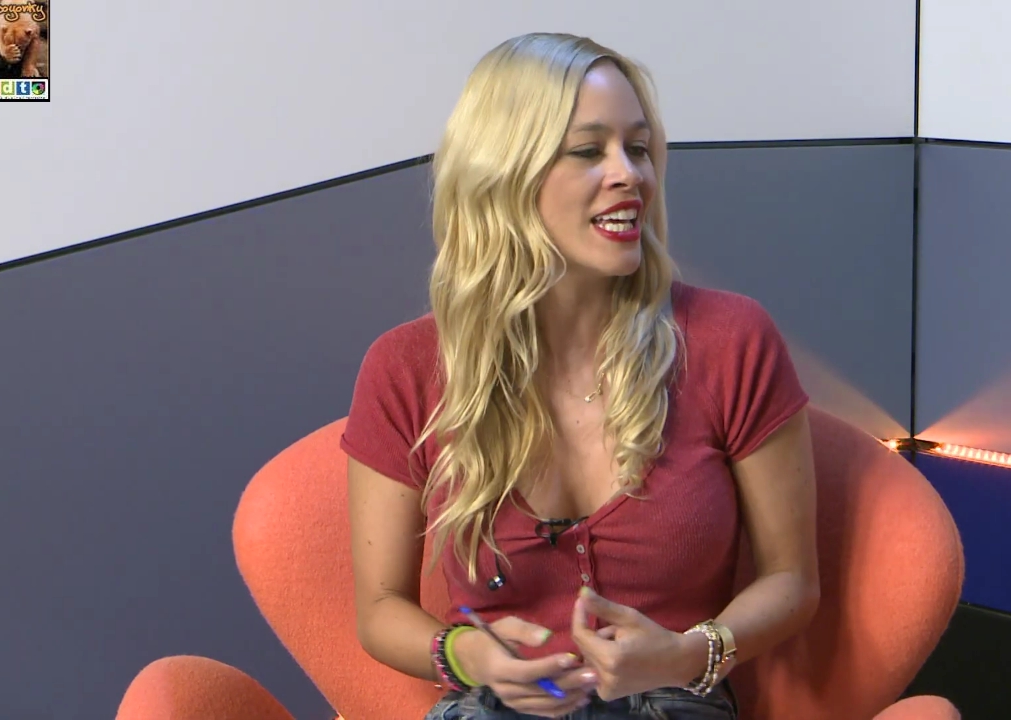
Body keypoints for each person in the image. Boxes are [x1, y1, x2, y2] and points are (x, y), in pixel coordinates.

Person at [341, 32, 820, 720]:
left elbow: (792, 581)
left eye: (639, 148)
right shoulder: (405, 367)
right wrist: (471, 657)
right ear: (506, 172)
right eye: (590, 151)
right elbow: (381, 608)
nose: (631, 175)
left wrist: (688, 653)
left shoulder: (732, 340)